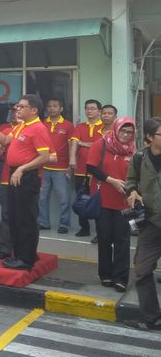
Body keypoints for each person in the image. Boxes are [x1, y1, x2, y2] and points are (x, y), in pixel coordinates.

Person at [0, 94, 52, 270]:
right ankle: (20, 254)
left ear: (34, 110)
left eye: (22, 106)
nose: (18, 109)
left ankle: (26, 258)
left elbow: (45, 157)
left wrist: (23, 169)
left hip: (27, 175)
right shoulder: (20, 126)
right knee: (15, 217)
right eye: (18, 106)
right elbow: (4, 141)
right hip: (15, 174)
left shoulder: (38, 128)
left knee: (26, 219)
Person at [86, 117, 135, 293]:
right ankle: (105, 274)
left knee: (122, 241)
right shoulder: (102, 144)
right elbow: (91, 167)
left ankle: (121, 278)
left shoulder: (134, 150)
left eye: (129, 132)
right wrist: (111, 180)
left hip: (124, 203)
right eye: (123, 130)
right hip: (103, 200)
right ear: (116, 129)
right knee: (104, 238)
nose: (125, 135)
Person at [124, 117, 161, 331]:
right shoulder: (139, 157)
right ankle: (151, 318)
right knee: (143, 269)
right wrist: (133, 192)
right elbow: (131, 180)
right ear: (149, 137)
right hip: (151, 224)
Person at [39, 97, 74, 234]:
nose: (52, 108)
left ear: (61, 109)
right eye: (49, 106)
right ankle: (43, 222)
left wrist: (71, 165)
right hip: (44, 167)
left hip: (61, 168)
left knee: (64, 198)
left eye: (55, 106)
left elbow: (72, 146)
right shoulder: (42, 124)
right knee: (42, 197)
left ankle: (64, 224)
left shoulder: (68, 125)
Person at [0, 104, 18, 259]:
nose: (15, 113)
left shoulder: (34, 129)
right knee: (7, 213)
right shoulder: (6, 128)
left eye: (19, 110)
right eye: (13, 111)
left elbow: (48, 156)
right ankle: (5, 248)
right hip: (6, 171)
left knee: (23, 216)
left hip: (25, 177)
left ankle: (22, 249)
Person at [69, 99, 104, 237]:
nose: (89, 111)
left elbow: (100, 145)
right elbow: (74, 143)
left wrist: (83, 143)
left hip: (98, 172)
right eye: (87, 108)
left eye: (93, 108)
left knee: (98, 201)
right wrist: (72, 158)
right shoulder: (80, 127)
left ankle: (100, 232)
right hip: (81, 171)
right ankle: (84, 228)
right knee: (81, 200)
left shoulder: (105, 127)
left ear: (99, 111)